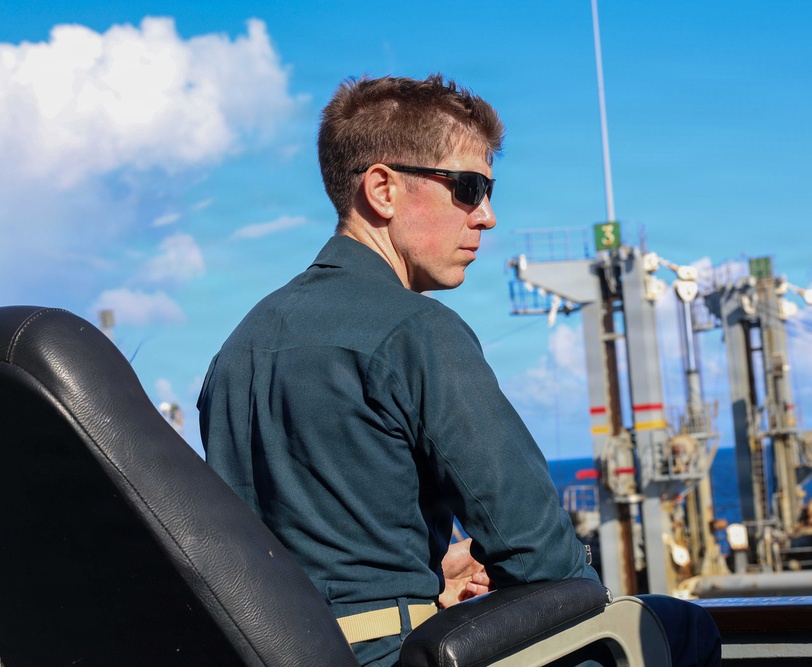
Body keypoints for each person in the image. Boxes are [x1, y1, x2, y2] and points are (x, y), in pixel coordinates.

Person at [199, 73, 720, 667]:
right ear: (383, 190)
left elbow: (297, 554)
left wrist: (424, 577)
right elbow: (540, 556)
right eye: (468, 188)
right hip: (396, 659)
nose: (488, 216)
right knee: (680, 626)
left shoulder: (237, 349)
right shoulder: (415, 331)